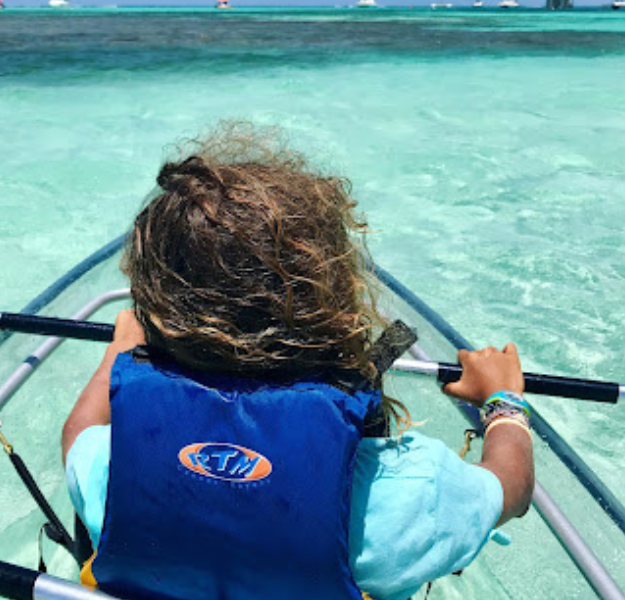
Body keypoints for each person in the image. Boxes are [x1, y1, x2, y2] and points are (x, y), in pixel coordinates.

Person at [62, 123, 534, 600]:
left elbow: (78, 434)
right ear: (340, 303)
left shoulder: (112, 467)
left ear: (156, 309)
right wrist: (503, 402)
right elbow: (511, 487)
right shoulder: (407, 494)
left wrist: (117, 356)